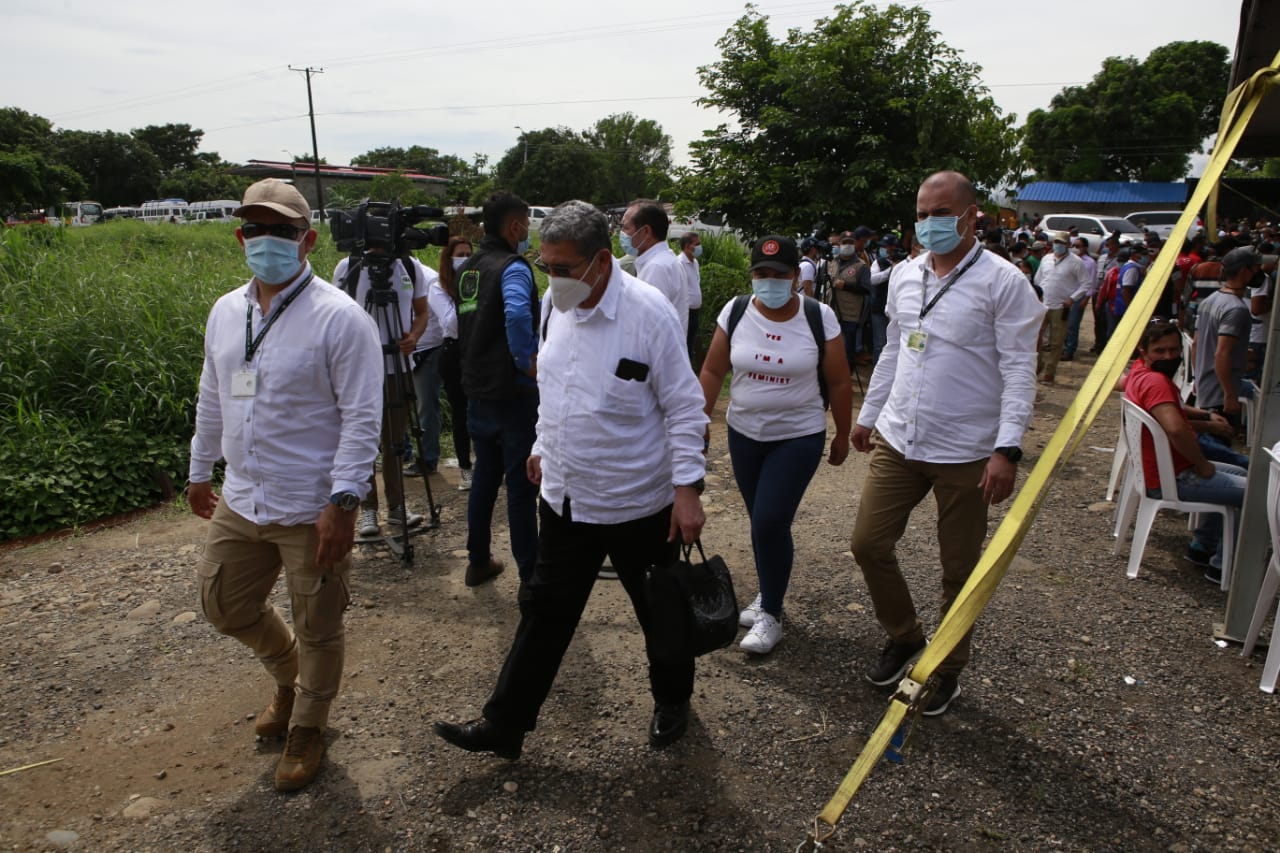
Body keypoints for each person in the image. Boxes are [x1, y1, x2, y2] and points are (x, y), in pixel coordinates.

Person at [431, 200, 708, 758]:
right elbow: (554, 385)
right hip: (565, 497)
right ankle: (505, 725)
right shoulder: (553, 306)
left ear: (602, 261)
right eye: (546, 266)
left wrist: (687, 491)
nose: (552, 278)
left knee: (658, 610)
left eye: (563, 267)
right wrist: (540, 444)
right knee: (544, 613)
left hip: (637, 502)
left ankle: (672, 700)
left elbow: (684, 408)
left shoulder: (649, 314)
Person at [187, 178, 383, 790]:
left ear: (309, 240)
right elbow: (212, 396)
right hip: (242, 496)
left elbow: (361, 417)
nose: (266, 241)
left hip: (310, 503)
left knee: (320, 622)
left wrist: (343, 503)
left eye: (282, 230)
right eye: (256, 229)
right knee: (223, 604)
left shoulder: (340, 318)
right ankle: (287, 674)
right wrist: (199, 470)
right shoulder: (227, 310)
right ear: (240, 235)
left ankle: (307, 727)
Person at [850, 171, 1044, 716]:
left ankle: (946, 668)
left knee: (958, 569)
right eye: (922, 212)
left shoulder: (1004, 283)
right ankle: (907, 637)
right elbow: (894, 349)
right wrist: (868, 415)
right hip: (899, 437)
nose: (930, 222)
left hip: (966, 451)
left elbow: (1018, 371)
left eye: (941, 212)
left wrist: (1007, 449)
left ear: (970, 213)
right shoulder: (907, 276)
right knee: (868, 543)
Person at [698, 235, 852, 654]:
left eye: (779, 275)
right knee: (762, 523)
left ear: (795, 277)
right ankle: (768, 593)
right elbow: (713, 369)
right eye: (760, 274)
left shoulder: (818, 317)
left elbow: (839, 381)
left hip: (798, 436)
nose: (769, 282)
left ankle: (772, 614)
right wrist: (697, 420)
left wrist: (842, 432)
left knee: (768, 521)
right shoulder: (736, 311)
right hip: (744, 433)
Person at [457, 191, 539, 586]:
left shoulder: (469, 267)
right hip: (513, 394)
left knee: (485, 480)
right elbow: (518, 313)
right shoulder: (514, 267)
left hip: (477, 390)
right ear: (514, 226)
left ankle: (478, 560)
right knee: (522, 488)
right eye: (526, 223)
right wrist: (528, 361)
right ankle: (530, 579)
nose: (528, 232)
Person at [1124, 320, 1246, 584]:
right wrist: (1201, 464)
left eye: (1174, 350)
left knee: (1241, 471)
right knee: (1256, 493)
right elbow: (1176, 430)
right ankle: (1223, 567)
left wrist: (1205, 417)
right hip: (1173, 476)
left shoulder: (1139, 373)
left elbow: (1170, 413)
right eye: (1160, 351)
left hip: (1161, 470)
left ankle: (1203, 546)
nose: (1169, 356)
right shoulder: (1157, 382)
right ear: (1143, 351)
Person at [332, 248, 430, 537]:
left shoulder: (409, 267)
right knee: (361, 440)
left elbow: (422, 311)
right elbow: (335, 313)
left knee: (395, 443)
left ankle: (397, 508)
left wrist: (414, 336)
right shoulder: (348, 266)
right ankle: (368, 510)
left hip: (398, 367)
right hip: (358, 370)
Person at [1193, 246, 1261, 429]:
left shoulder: (1210, 301)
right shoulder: (1236, 309)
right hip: (1220, 393)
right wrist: (1229, 394)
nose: (1259, 272)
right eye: (1255, 268)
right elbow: (1222, 353)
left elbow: (1196, 344)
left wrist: (1197, 379)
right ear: (1244, 272)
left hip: (1206, 386)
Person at [436, 236, 474, 491]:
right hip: (453, 352)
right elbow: (451, 322)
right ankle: (465, 468)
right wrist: (468, 296)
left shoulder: (478, 280)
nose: (465, 258)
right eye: (460, 254)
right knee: (461, 414)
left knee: (482, 409)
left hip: (476, 350)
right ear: (449, 258)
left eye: (469, 253)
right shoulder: (438, 288)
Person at [620, 199, 689, 339]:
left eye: (626, 228)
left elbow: (647, 325)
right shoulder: (662, 261)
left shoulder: (657, 268)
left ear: (646, 231)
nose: (622, 233)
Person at [1034, 235, 1091, 384]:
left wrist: (1072, 298)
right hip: (1043, 304)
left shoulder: (1076, 262)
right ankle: (1037, 366)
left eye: (1060, 243)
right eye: (1055, 242)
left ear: (1067, 244)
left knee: (1056, 342)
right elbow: (1038, 279)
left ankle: (1050, 372)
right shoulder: (1046, 259)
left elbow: (1086, 284)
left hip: (1061, 306)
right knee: (1036, 338)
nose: (1057, 245)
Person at [829, 230, 871, 370]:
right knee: (831, 346)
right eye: (844, 243)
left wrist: (846, 286)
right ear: (839, 244)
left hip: (850, 313)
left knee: (848, 349)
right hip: (832, 311)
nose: (847, 246)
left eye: (850, 243)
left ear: (854, 245)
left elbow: (866, 289)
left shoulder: (861, 266)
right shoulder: (833, 262)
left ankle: (848, 375)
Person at [1061, 237, 1097, 362]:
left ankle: (1070, 350)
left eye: (1079, 246)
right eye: (1074, 245)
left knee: (1073, 324)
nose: (1076, 248)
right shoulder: (1068, 260)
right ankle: (1064, 347)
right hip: (1067, 294)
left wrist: (1086, 299)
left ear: (1085, 247)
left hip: (1079, 296)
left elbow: (1091, 283)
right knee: (1064, 323)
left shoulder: (1090, 263)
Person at [678, 231, 703, 359]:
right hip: (686, 312)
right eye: (697, 244)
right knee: (684, 343)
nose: (700, 247)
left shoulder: (695, 262)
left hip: (695, 311)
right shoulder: (679, 264)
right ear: (687, 246)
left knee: (691, 342)